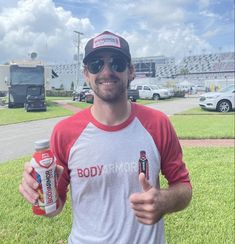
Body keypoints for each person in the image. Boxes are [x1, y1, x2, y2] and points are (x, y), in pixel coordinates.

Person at [19, 30, 192, 244]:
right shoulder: (65, 132)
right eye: (96, 64)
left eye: (117, 63)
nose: (107, 71)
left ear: (130, 71)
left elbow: (183, 187)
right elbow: (55, 208)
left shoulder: (158, 124)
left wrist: (165, 200)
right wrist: (39, 193)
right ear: (86, 74)